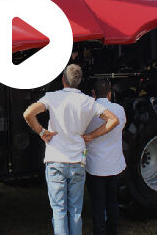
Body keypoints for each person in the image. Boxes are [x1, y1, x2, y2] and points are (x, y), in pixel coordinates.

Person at [23, 65, 119, 235]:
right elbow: (113, 120)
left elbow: (29, 113)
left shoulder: (52, 97)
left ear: (63, 79)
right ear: (80, 81)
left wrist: (42, 132)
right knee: (75, 211)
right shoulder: (88, 101)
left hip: (55, 160)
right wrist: (92, 135)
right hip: (77, 162)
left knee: (59, 211)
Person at [84, 79, 126, 235]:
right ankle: (112, 230)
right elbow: (122, 126)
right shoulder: (119, 109)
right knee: (112, 200)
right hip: (114, 164)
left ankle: (99, 231)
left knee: (98, 202)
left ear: (93, 93)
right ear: (110, 93)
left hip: (95, 165)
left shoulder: (88, 110)